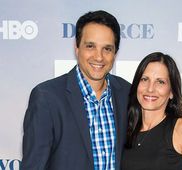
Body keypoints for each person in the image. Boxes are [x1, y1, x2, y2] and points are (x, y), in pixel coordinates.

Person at [21, 10, 131, 170]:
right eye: (90, 46)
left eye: (107, 49)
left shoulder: (126, 93)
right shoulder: (47, 97)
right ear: (77, 47)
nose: (99, 57)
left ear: (115, 53)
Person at [121, 52, 182, 170]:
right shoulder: (125, 128)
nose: (150, 88)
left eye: (160, 82)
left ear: (171, 92)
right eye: (145, 79)